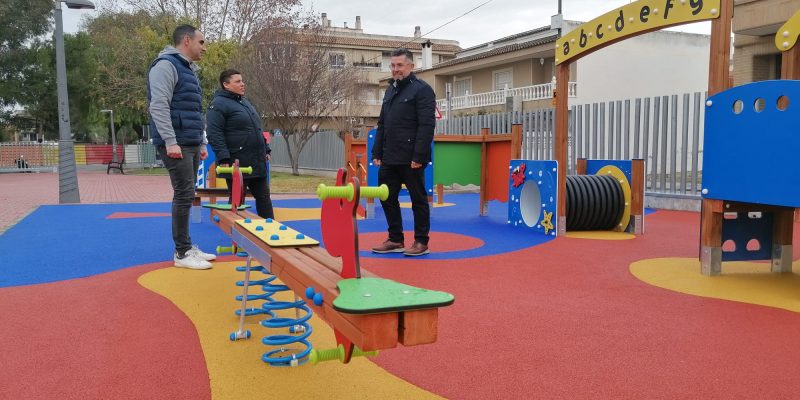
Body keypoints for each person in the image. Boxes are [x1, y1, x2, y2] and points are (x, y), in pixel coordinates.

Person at [147, 24, 216, 270]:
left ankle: (187, 246)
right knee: (184, 194)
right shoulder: (166, 65)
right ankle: (182, 252)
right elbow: (159, 106)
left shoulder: (189, 70)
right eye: (202, 42)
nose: (205, 48)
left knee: (188, 194)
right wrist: (170, 141)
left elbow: (195, 110)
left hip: (191, 141)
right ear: (187, 41)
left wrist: (203, 141)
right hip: (176, 142)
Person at [370, 48, 435, 257]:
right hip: (389, 155)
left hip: (411, 157)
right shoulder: (390, 91)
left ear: (411, 67)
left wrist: (419, 156)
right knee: (386, 196)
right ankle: (395, 238)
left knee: (418, 198)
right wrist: (377, 151)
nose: (396, 69)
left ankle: (421, 241)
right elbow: (382, 124)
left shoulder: (422, 90)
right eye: (393, 66)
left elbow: (426, 125)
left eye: (400, 65)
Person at [206, 69, 274, 219]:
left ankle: (271, 229)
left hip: (256, 160)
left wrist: (266, 149)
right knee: (238, 201)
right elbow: (214, 133)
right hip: (236, 162)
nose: (243, 84)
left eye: (242, 81)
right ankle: (237, 237)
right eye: (238, 81)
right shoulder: (218, 104)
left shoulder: (245, 103)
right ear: (226, 85)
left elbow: (256, 128)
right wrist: (223, 158)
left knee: (264, 198)